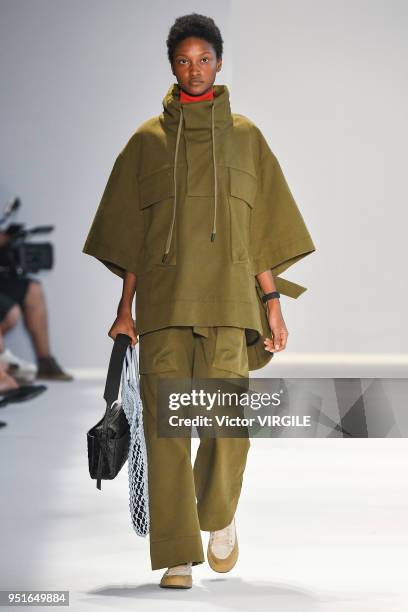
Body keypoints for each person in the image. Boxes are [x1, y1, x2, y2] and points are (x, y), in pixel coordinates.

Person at [82, 13, 316, 589]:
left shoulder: (246, 137)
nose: (194, 69)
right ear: (171, 65)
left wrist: (273, 304)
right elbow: (133, 236)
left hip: (231, 304)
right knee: (166, 430)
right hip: (163, 306)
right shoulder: (145, 143)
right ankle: (177, 554)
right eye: (184, 60)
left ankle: (217, 516)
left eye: (204, 59)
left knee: (226, 424)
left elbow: (258, 229)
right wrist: (123, 310)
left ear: (218, 62)